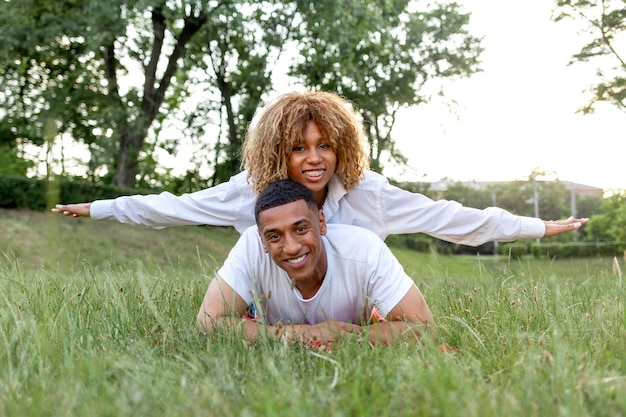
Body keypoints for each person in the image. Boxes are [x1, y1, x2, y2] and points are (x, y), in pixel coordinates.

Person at [52, 91, 587, 245]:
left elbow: (448, 217)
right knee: (250, 247)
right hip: (281, 303)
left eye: (324, 146)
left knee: (362, 248)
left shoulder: (366, 192)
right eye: (300, 148)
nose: (314, 159)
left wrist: (540, 225)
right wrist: (100, 206)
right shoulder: (250, 191)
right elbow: (171, 208)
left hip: (352, 304)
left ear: (341, 149)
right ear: (277, 151)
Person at [196, 180, 435, 346]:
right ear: (263, 240)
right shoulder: (251, 246)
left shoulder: (365, 249)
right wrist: (303, 334)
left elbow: (424, 328)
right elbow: (207, 322)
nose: (291, 247)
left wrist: (351, 337)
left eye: (300, 229)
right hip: (268, 318)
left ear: (321, 222)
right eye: (275, 236)